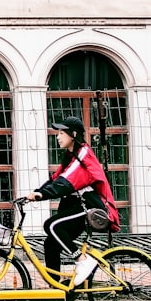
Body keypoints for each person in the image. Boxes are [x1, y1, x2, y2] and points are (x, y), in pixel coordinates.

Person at [25, 115, 119, 289]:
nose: (57, 136)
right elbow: (56, 178)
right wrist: (38, 192)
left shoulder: (83, 153)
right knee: (51, 243)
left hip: (91, 208)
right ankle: (56, 289)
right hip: (79, 206)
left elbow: (67, 181)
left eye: (61, 133)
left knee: (51, 226)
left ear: (73, 134)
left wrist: (41, 195)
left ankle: (82, 261)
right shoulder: (70, 155)